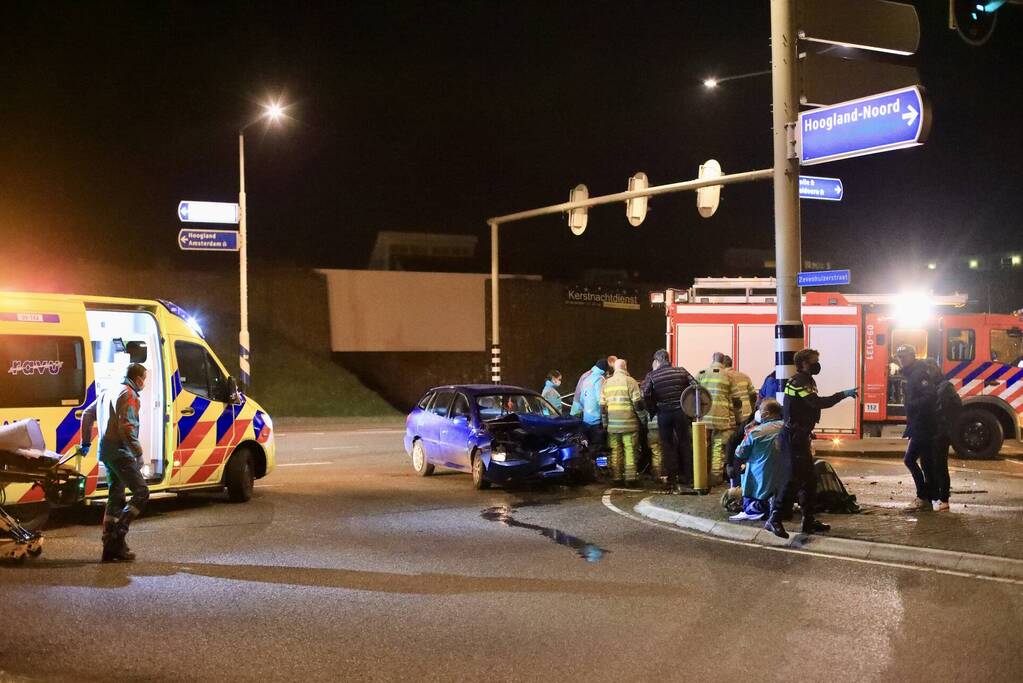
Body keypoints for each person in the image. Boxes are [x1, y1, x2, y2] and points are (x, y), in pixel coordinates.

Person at [765, 348, 857, 538]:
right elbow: (816, 403)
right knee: (792, 479)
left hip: (801, 436)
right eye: (815, 360)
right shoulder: (799, 381)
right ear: (805, 363)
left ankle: (808, 521)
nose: (818, 364)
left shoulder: (807, 380)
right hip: (793, 438)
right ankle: (774, 519)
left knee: (809, 480)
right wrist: (843, 394)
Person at [80, 363, 151, 562]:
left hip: (106, 453)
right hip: (121, 453)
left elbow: (87, 414)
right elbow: (127, 428)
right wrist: (138, 453)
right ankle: (116, 537)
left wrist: (86, 442)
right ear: (138, 378)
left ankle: (109, 548)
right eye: (144, 379)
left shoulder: (108, 391)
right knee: (142, 492)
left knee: (116, 497)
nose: (144, 383)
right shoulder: (129, 394)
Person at [643, 348, 697, 492]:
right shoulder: (681, 371)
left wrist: (653, 409)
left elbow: (645, 393)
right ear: (668, 358)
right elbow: (696, 387)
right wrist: (690, 409)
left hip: (664, 413)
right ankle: (690, 477)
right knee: (685, 444)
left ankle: (672, 479)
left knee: (667, 446)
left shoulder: (652, 375)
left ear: (657, 361)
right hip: (681, 412)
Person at [894, 345, 940, 512]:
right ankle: (929, 498)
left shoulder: (918, 373)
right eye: (899, 357)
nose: (901, 359)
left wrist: (911, 406)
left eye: (905, 356)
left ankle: (923, 496)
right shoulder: (912, 373)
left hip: (923, 424)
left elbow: (930, 396)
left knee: (909, 459)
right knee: (926, 462)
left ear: (913, 356)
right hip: (921, 424)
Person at [732, 399, 786, 521]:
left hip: (761, 480)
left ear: (766, 413)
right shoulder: (787, 427)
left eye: (760, 410)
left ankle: (759, 507)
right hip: (784, 477)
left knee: (745, 470)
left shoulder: (755, 432)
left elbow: (740, 454)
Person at [698, 352, 742, 485]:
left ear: (713, 360)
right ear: (723, 362)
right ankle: (715, 477)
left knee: (702, 447)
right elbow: (736, 400)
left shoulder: (701, 374)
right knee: (718, 448)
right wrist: (738, 418)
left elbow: (692, 394)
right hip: (722, 419)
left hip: (704, 418)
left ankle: (700, 477)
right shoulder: (728, 376)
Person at [600, 359, 645, 486]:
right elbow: (638, 404)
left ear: (614, 368)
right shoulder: (631, 382)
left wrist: (605, 424)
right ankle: (630, 479)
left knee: (615, 451)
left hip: (613, 427)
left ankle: (617, 478)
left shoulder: (606, 383)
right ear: (625, 367)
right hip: (629, 425)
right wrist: (643, 419)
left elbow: (603, 407)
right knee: (630, 450)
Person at [722, 355, 757, 486]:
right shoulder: (744, 376)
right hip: (746, 415)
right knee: (744, 443)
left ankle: (728, 473)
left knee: (729, 443)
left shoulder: (724, 376)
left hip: (730, 416)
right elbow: (753, 395)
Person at [571, 359, 609, 452]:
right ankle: (602, 466)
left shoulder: (587, 378)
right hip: (597, 421)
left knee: (590, 448)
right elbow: (600, 400)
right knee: (600, 450)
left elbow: (581, 400)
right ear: (604, 370)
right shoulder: (600, 379)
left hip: (586, 421)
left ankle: (592, 466)